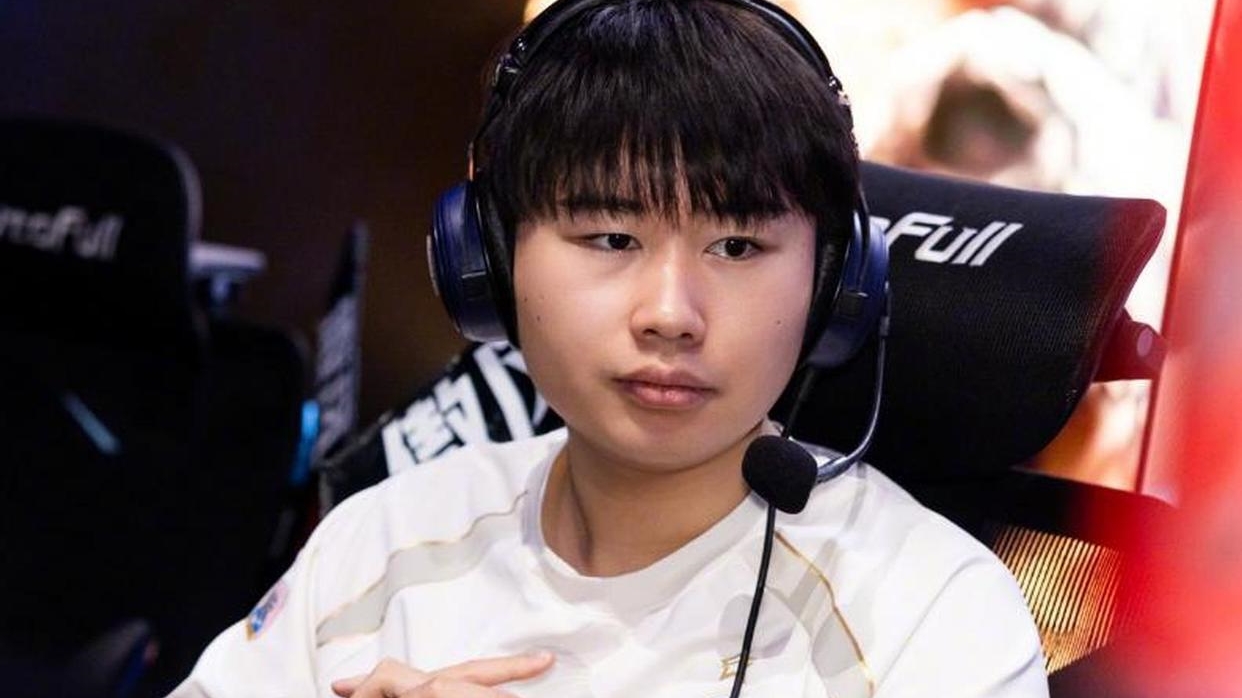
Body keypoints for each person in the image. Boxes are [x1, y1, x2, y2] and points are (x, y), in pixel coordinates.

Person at [171, 1, 1048, 696]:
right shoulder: (383, 541)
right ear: (488, 259)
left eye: (737, 246)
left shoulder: (929, 618)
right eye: (611, 238)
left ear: (835, 281)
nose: (670, 314)